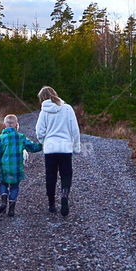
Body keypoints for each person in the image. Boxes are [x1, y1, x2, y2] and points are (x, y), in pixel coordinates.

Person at [35, 86, 81, 216]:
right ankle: (64, 196)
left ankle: (51, 204)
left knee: (51, 176)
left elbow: (39, 131)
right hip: (65, 148)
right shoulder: (67, 109)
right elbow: (75, 130)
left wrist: (43, 142)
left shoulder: (44, 112)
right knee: (66, 174)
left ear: (42, 98)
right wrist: (76, 146)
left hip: (50, 149)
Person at [0, 114, 43, 216]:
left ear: (4, 125)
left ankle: (4, 200)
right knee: (14, 187)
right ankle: (12, 208)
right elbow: (33, 148)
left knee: (3, 184)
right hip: (17, 169)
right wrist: (42, 145)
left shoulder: (0, 138)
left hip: (4, 168)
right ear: (16, 125)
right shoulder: (21, 137)